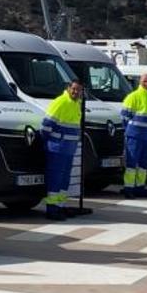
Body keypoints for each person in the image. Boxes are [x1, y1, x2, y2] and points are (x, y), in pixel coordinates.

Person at [41, 79, 84, 220]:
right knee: (55, 179)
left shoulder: (77, 103)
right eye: (74, 89)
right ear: (68, 88)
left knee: (64, 180)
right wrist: (50, 143)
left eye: (79, 90)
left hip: (69, 150)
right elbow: (46, 126)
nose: (76, 92)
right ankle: (52, 209)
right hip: (57, 149)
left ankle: (60, 206)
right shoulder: (60, 102)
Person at [120, 74, 147, 199]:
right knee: (132, 162)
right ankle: (128, 188)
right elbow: (124, 117)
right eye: (145, 82)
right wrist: (131, 131)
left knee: (143, 163)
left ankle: (140, 187)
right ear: (139, 82)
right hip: (134, 136)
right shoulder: (132, 96)